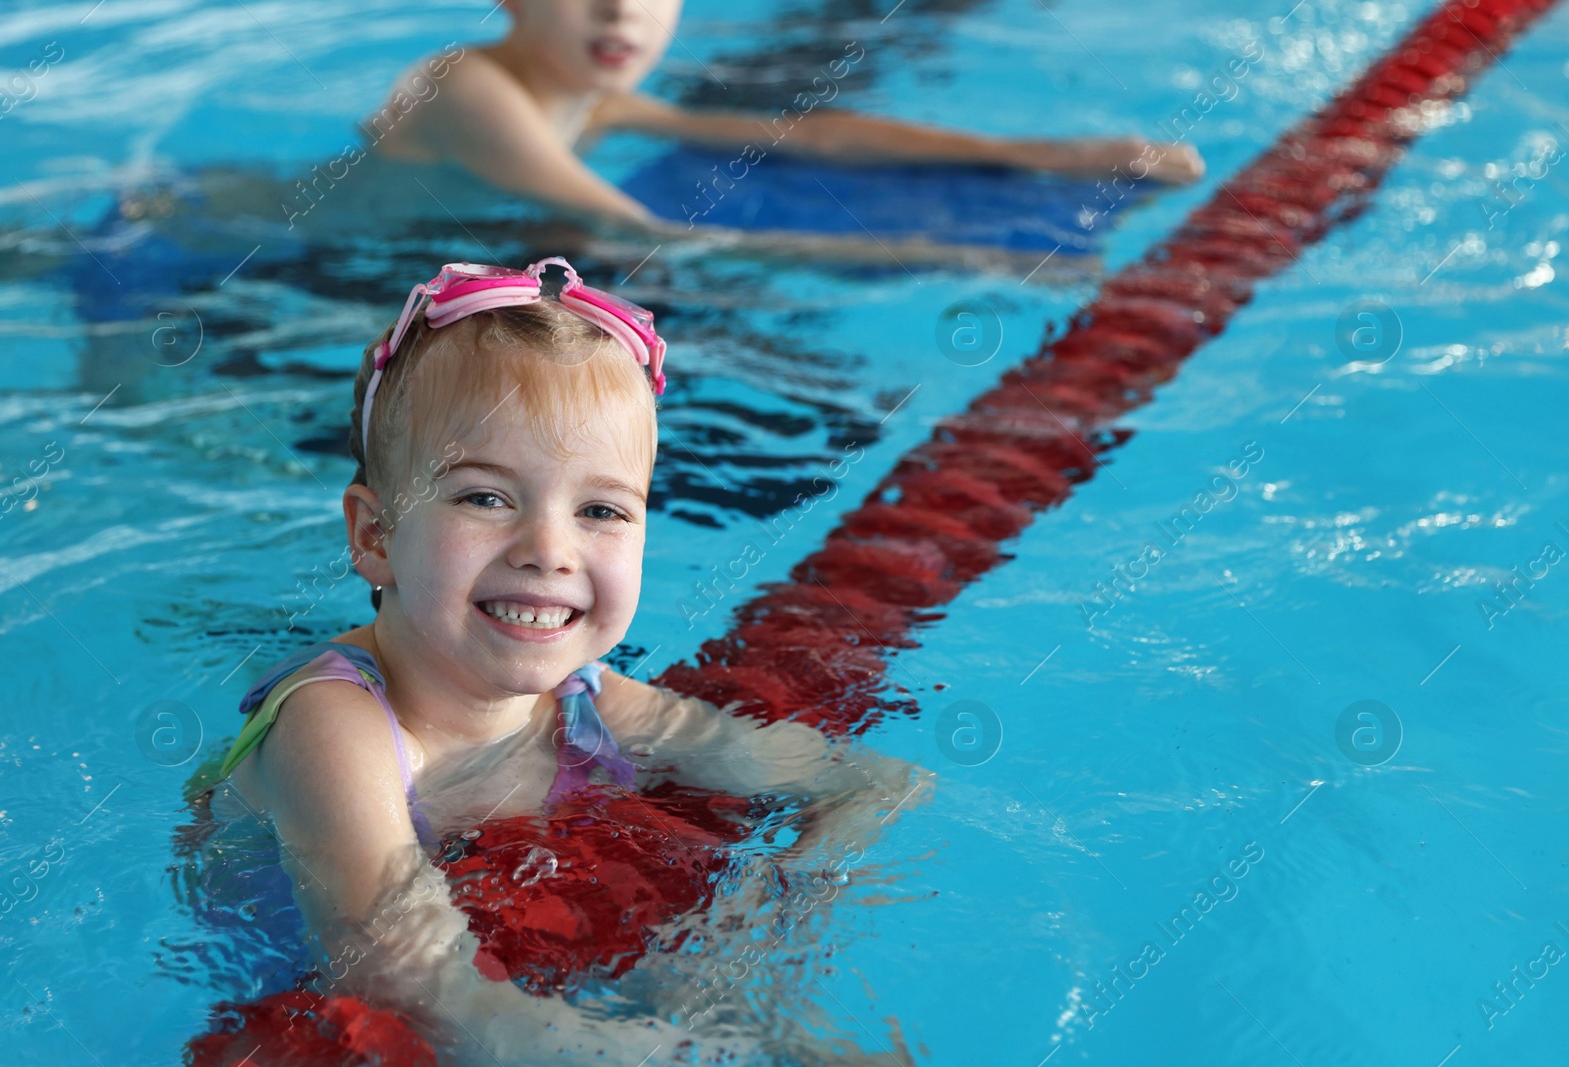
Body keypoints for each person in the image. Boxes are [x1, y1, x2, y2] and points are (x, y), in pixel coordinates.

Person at [198, 256, 928, 1065]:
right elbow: (409, 977)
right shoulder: (335, 727)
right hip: (299, 998)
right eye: (485, 496)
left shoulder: (587, 697)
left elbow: (870, 780)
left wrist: (789, 893)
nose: (550, 550)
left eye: (601, 509)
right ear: (375, 536)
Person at [364, 0, 1205, 234]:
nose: (622, 12)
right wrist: (945, 255)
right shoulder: (466, 88)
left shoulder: (592, 92)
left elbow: (805, 133)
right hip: (304, 271)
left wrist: (1041, 156)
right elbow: (637, 228)